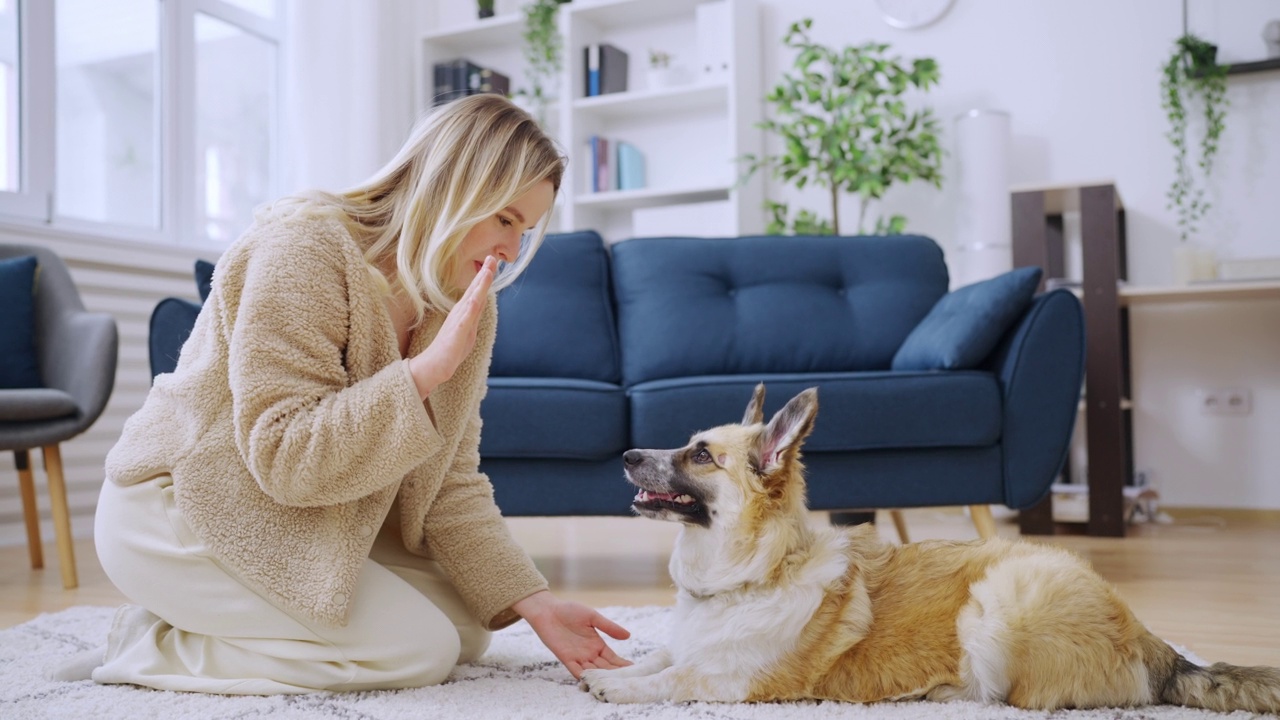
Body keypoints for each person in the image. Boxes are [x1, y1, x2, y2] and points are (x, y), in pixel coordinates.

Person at [55, 94, 632, 694]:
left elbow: (450, 483)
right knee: (416, 651)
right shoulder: (304, 250)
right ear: (451, 187)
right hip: (188, 506)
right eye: (505, 220)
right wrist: (423, 374)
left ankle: (230, 625)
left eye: (527, 230)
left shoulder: (461, 305)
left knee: (466, 623)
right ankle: (147, 646)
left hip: (296, 515)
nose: (512, 251)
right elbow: (283, 457)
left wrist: (535, 601)